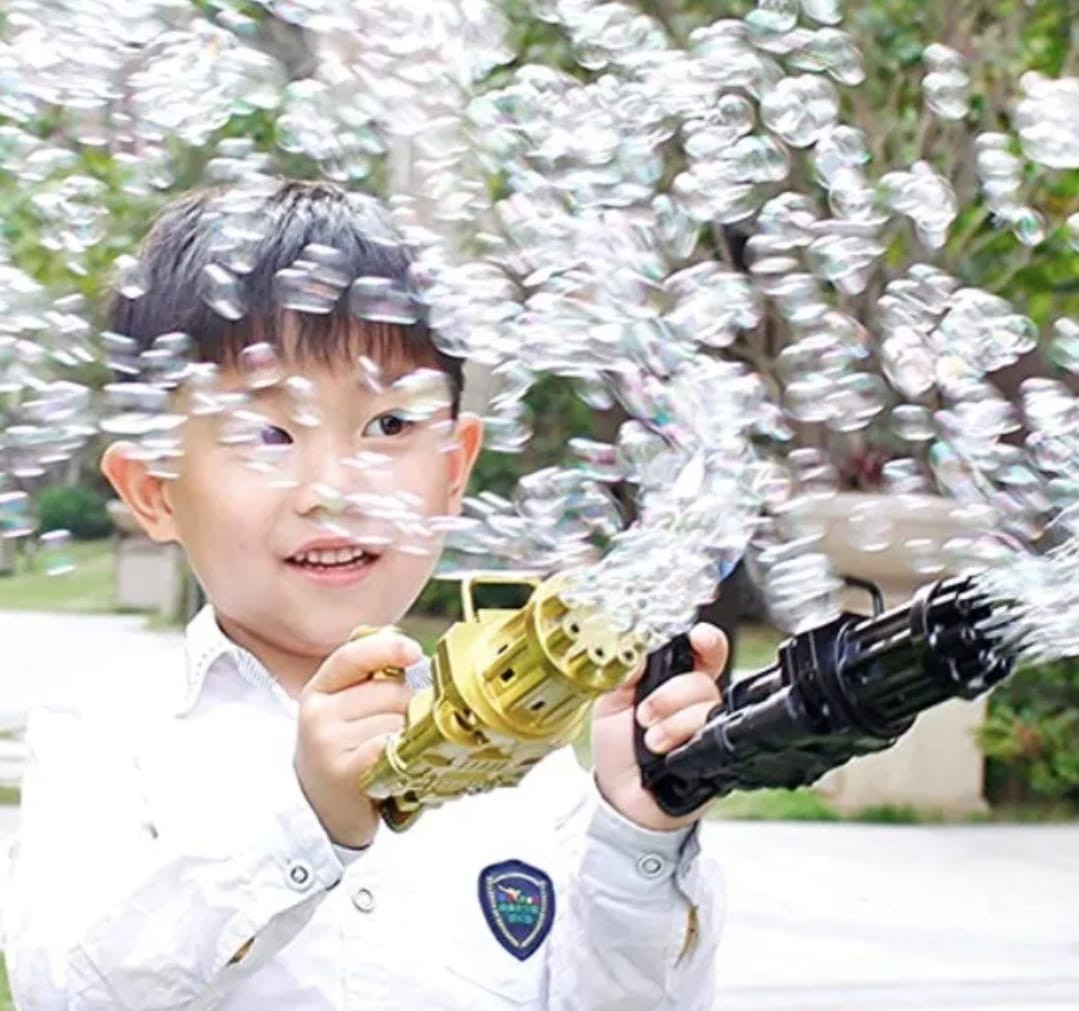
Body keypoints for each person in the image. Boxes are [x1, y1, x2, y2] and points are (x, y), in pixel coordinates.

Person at [3, 180, 728, 1010]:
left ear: (453, 468)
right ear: (153, 490)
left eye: (388, 426)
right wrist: (303, 819)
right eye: (266, 432)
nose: (333, 488)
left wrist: (635, 836)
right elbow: (68, 990)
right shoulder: (102, 740)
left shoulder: (521, 757)